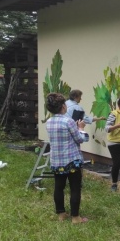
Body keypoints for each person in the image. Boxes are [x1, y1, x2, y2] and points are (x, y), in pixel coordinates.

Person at [45, 92, 88, 224]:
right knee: (75, 188)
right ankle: (75, 217)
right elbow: (80, 139)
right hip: (72, 160)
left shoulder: (49, 122)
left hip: (56, 161)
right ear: (63, 106)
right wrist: (81, 128)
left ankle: (61, 214)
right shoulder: (68, 121)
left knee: (59, 187)